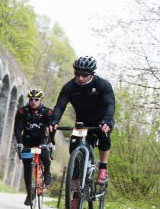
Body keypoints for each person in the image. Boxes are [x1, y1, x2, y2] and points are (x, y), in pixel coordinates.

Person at [47, 56, 116, 185]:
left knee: (104, 133)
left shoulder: (103, 85)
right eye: (77, 74)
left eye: (84, 75)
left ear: (92, 74)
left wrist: (107, 120)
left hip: (102, 120)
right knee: (74, 148)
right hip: (82, 122)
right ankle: (75, 192)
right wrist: (54, 121)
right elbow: (60, 106)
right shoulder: (69, 87)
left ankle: (103, 167)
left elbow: (110, 104)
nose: (80, 78)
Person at [13, 89, 54, 206]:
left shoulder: (48, 112)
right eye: (31, 99)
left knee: (45, 155)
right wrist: (20, 143)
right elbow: (18, 129)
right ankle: (29, 193)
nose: (33, 102)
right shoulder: (22, 111)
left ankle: (47, 173)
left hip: (42, 140)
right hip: (27, 141)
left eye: (36, 100)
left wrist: (51, 142)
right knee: (27, 165)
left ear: (41, 100)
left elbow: (52, 128)